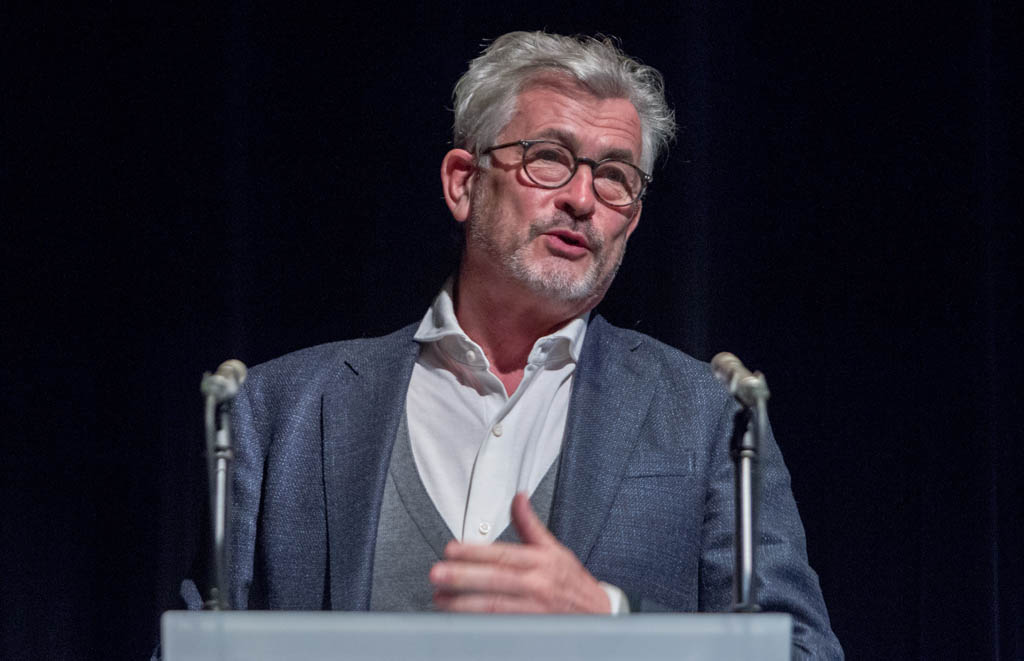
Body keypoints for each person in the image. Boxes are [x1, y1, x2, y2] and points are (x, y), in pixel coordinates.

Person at [176, 31, 843, 658]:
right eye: (549, 157)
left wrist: (611, 620)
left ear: (633, 218)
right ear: (463, 182)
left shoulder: (708, 417)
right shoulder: (281, 409)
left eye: (614, 176)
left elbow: (803, 650)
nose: (582, 198)